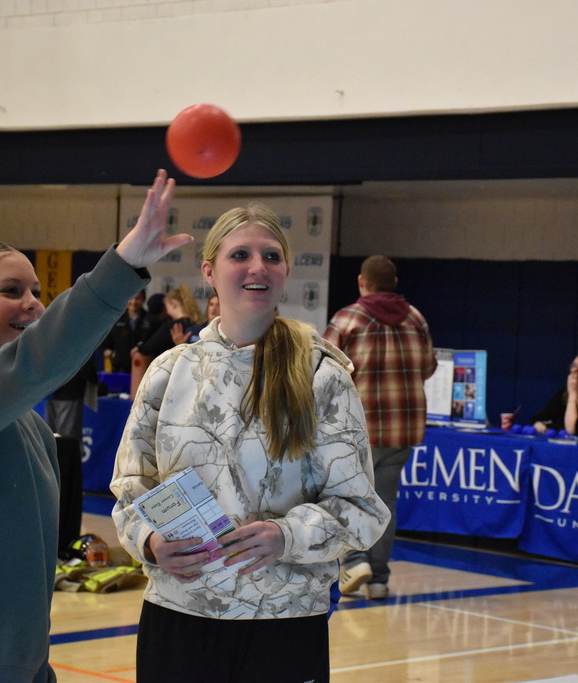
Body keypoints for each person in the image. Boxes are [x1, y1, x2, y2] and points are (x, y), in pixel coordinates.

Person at [0, 170, 192, 683]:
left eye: (36, 289)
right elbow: (37, 362)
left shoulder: (30, 427)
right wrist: (121, 268)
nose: (32, 301)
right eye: (11, 290)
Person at [110, 202, 389, 683]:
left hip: (283, 624)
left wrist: (286, 535)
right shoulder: (169, 370)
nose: (258, 267)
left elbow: (362, 511)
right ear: (209, 271)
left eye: (272, 256)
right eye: (240, 254)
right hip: (179, 617)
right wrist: (151, 542)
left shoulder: (322, 375)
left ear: (284, 272)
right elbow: (131, 487)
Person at [323, 254, 437, 600]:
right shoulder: (416, 318)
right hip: (402, 428)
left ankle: (357, 561)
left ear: (362, 282)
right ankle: (379, 579)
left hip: (357, 429)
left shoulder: (348, 318)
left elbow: (323, 370)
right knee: (385, 502)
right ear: (395, 284)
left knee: (348, 497)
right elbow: (428, 366)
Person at [532, 353, 578, 438]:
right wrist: (539, 424)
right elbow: (542, 417)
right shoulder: (565, 391)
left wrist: (573, 394)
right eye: (573, 365)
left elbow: (572, 430)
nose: (575, 370)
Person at [132, 283, 202, 361]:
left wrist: (138, 349)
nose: (166, 310)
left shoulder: (173, 326)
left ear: (173, 304)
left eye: (166, 306)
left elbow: (149, 347)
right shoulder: (196, 323)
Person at [102, 289, 149, 373]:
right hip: (118, 369)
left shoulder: (150, 320)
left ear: (143, 299)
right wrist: (109, 352)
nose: (134, 302)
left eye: (138, 298)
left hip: (142, 369)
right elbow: (105, 343)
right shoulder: (116, 319)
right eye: (131, 298)